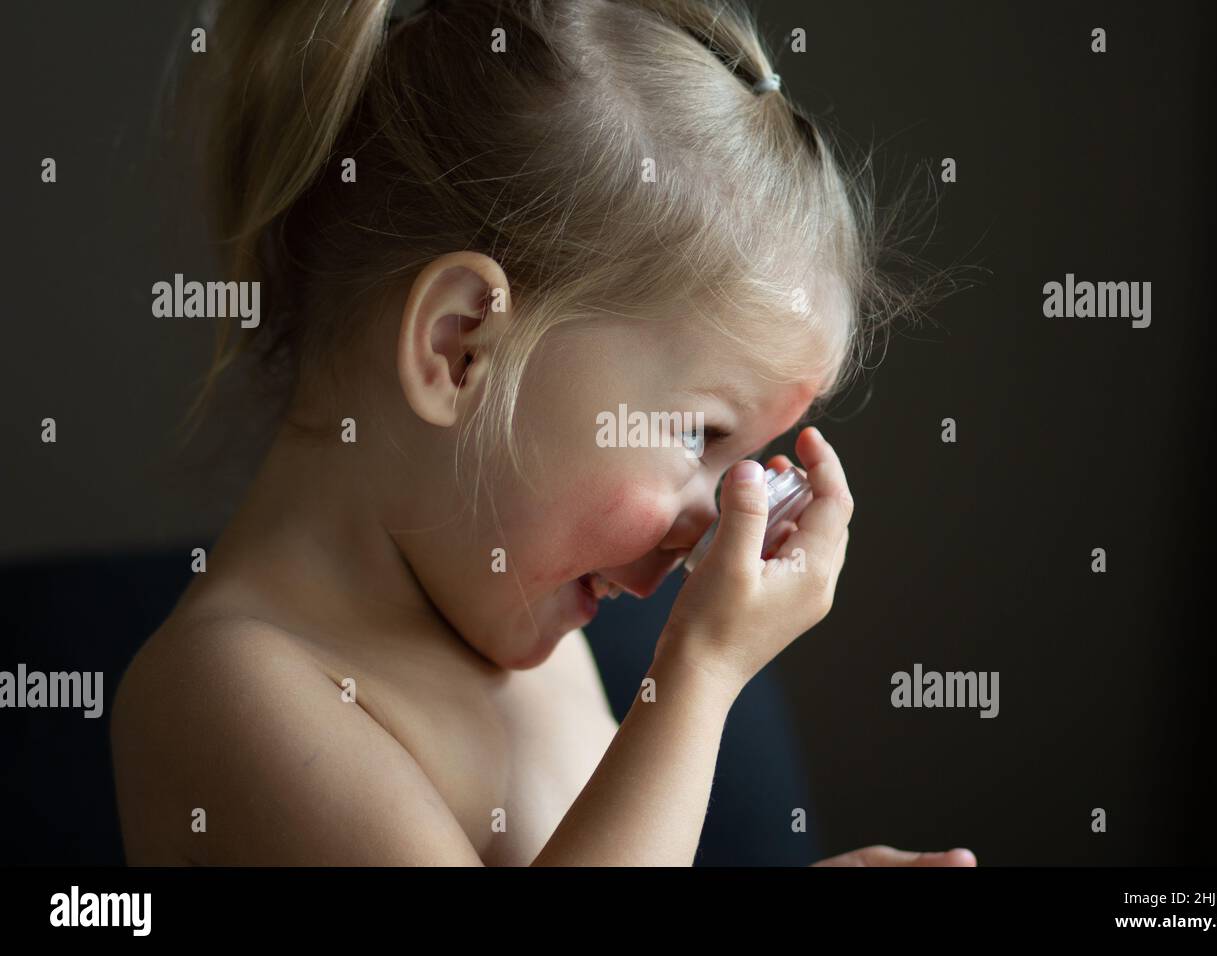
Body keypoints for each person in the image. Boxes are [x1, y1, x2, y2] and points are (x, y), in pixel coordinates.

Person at [110, 0, 975, 867]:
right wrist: (699, 676)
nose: (713, 522)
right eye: (696, 435)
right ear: (462, 349)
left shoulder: (528, 635)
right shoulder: (236, 693)